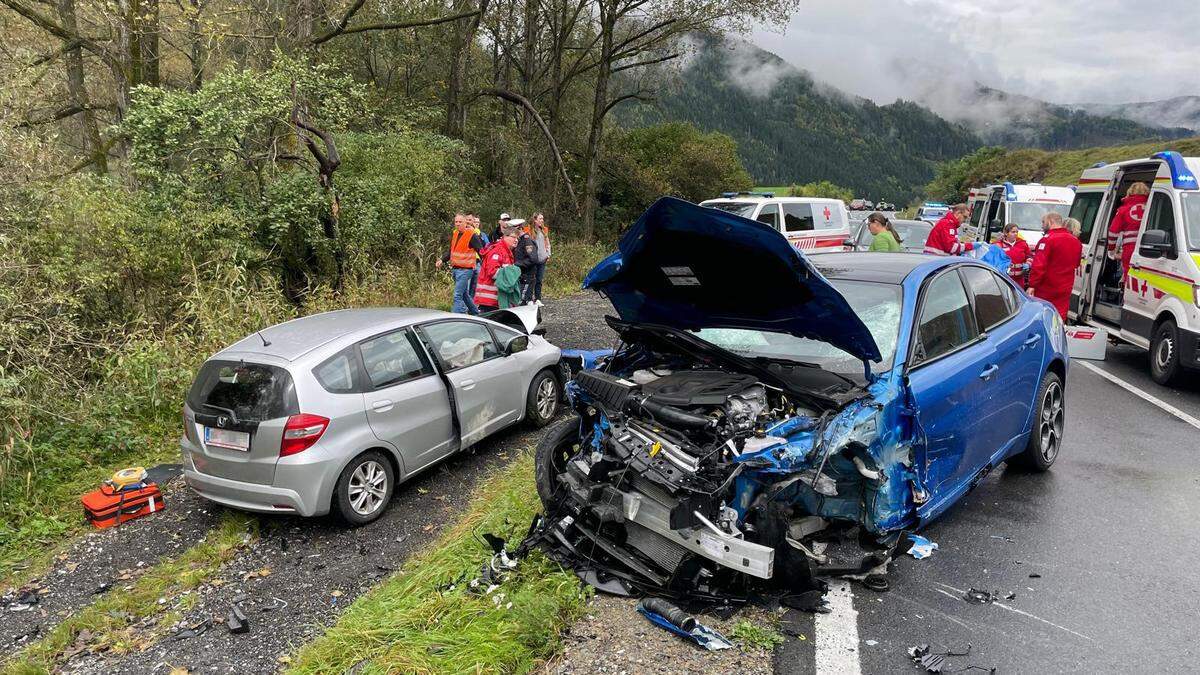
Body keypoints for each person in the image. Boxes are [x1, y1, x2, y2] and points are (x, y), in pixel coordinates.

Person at [1028, 212, 1082, 320]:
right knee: (1059, 316)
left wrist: (1032, 285)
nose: (1042, 226)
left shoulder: (1047, 240)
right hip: (1065, 287)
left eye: (1043, 222)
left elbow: (1039, 265)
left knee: (1043, 316)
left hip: (1046, 287)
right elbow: (1076, 264)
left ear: (1050, 222)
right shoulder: (1076, 242)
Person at [435, 213, 483, 314]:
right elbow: (451, 251)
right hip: (456, 269)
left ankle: (454, 317)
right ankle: (476, 313)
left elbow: (481, 251)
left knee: (457, 295)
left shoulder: (472, 235)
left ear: (466, 222)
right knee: (464, 294)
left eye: (460, 222)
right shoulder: (455, 233)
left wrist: (485, 267)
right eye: (456, 222)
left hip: (466, 270)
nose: (457, 224)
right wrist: (442, 260)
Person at [1107, 182, 1149, 278]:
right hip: (1150, 250)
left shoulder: (1123, 209)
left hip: (1129, 250)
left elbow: (1113, 232)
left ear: (1130, 192)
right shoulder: (1152, 207)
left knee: (1128, 279)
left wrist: (1112, 249)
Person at [474, 226, 517, 312]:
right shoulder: (497, 251)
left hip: (498, 299)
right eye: (514, 237)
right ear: (505, 237)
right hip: (490, 300)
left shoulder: (506, 251)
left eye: (517, 238)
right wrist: (510, 274)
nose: (516, 240)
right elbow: (492, 272)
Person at [524, 213, 552, 303]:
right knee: (531, 279)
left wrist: (548, 254)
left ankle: (538, 298)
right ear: (535, 220)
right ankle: (528, 299)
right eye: (540, 219)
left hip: (542, 259)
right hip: (533, 260)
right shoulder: (528, 230)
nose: (542, 220)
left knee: (539, 280)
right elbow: (526, 244)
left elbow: (547, 243)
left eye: (542, 218)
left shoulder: (544, 230)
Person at [510, 218, 538, 304]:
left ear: (519, 229)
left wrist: (517, 264)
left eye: (513, 230)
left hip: (527, 277)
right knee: (521, 301)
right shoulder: (518, 241)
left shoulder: (526, 240)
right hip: (520, 276)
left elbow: (533, 259)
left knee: (523, 301)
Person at [997, 223, 1032, 287]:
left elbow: (1029, 256)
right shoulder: (998, 245)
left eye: (1017, 232)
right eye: (1013, 232)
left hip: (1019, 279)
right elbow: (993, 261)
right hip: (1003, 278)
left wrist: (1028, 264)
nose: (1015, 234)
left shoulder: (1023, 244)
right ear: (1006, 233)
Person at [467, 213, 488, 301]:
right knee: (467, 287)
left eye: (478, 222)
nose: (476, 223)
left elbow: (486, 246)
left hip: (478, 262)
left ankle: (472, 306)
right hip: (468, 262)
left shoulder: (482, 234)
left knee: (475, 287)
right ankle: (464, 307)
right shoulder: (465, 232)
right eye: (474, 221)